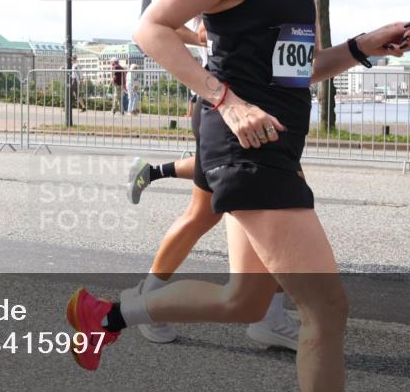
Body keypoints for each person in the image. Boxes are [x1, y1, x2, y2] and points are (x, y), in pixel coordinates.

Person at [66, 0, 410, 392]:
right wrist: (226, 102)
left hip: (277, 143)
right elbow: (152, 29)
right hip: (244, 145)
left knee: (245, 302)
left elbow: (299, 70)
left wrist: (364, 48)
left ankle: (105, 314)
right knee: (326, 307)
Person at [125, 18, 299, 350]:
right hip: (231, 112)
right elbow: (170, 27)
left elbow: (301, 61)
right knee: (263, 212)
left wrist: (357, 49)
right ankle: (144, 304)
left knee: (207, 213)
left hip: (260, 111)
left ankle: (269, 316)